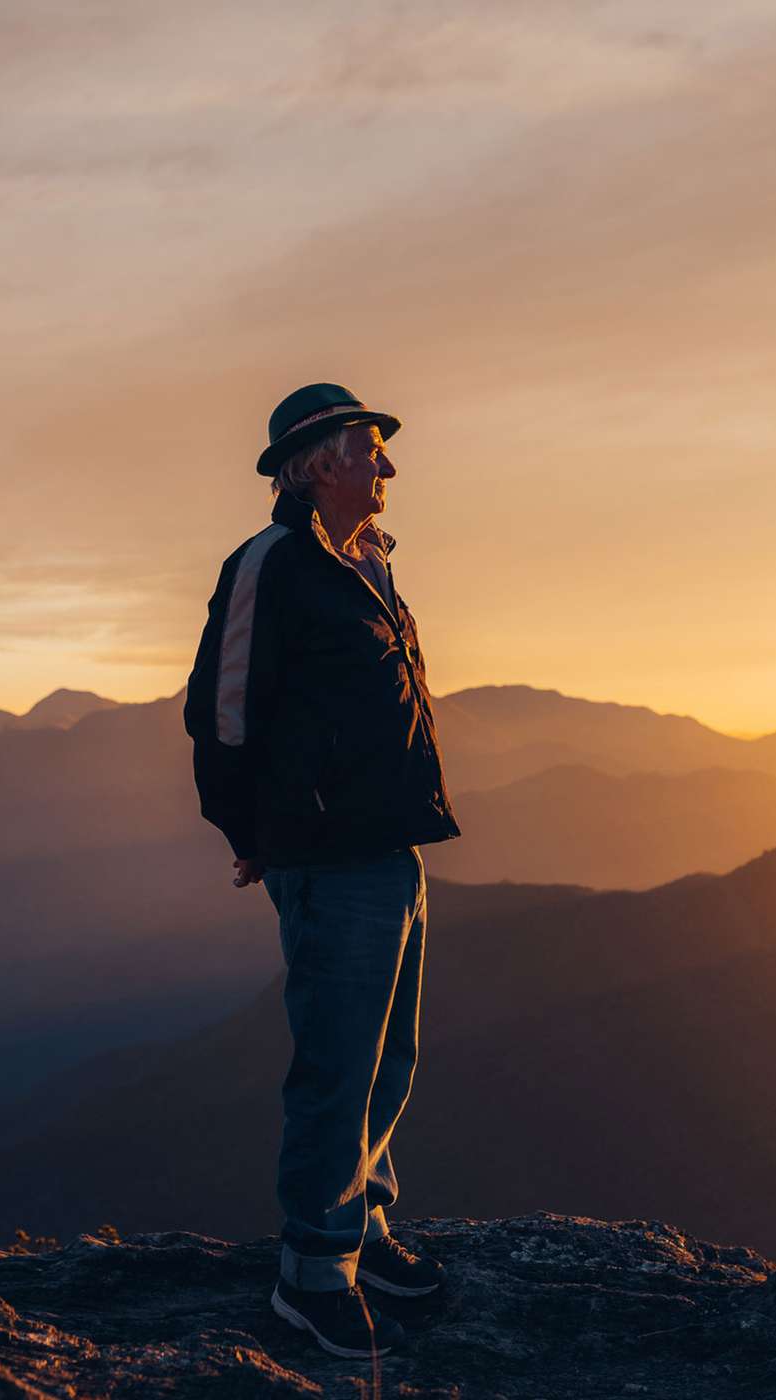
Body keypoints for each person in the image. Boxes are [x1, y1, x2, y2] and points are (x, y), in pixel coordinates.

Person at [183, 382, 462, 1358]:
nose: (385, 467)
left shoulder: (371, 566)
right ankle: (312, 1271)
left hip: (389, 845)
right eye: (368, 448)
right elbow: (219, 711)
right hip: (325, 855)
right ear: (314, 464)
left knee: (387, 1054)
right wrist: (247, 830)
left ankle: (363, 1225)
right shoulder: (272, 563)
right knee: (336, 1061)